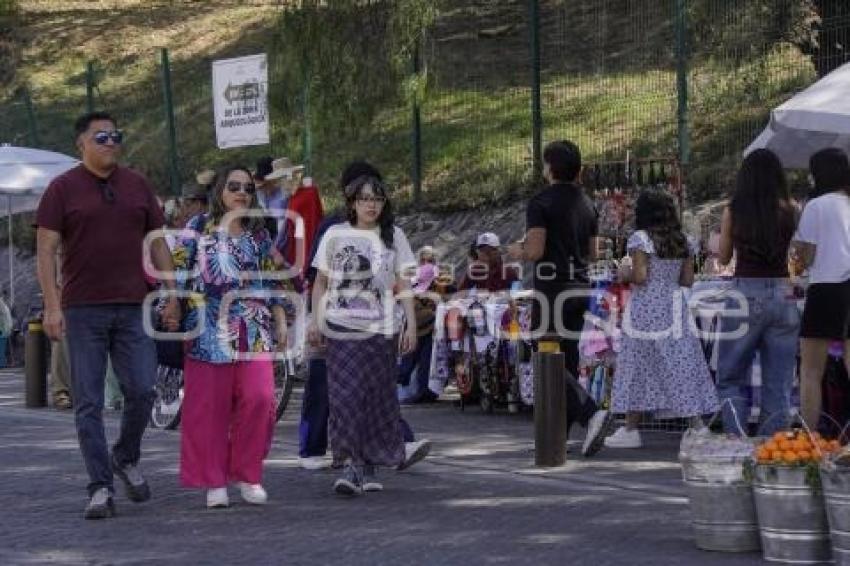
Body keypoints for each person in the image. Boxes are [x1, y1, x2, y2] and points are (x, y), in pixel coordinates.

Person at [35, 111, 180, 519]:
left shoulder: (137, 185)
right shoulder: (61, 189)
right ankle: (99, 486)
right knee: (88, 402)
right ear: (80, 144)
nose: (111, 142)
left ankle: (125, 456)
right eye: (101, 137)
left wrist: (172, 291)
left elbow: (157, 243)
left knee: (143, 390)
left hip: (134, 305)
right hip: (82, 310)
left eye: (116, 135)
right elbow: (46, 251)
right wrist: (51, 304)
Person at [298, 161, 431, 472]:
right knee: (346, 399)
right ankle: (350, 464)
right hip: (341, 328)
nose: (371, 205)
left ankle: (369, 465)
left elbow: (404, 284)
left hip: (383, 330)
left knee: (377, 401)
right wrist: (316, 321)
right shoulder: (335, 233)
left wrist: (411, 323)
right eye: (365, 199)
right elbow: (320, 282)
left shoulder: (394, 236)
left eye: (377, 199)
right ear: (352, 202)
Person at [172, 166, 289, 509]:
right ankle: (214, 479)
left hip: (254, 325)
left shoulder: (259, 235)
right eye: (234, 186)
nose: (241, 193)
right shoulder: (196, 228)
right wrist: (173, 308)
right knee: (210, 407)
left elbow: (272, 280)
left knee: (260, 399)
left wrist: (280, 319)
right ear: (220, 190)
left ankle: (248, 473)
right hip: (208, 327)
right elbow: (177, 273)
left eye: (248, 188)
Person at [507, 140, 610, 457]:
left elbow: (535, 250)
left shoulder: (540, 202)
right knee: (567, 358)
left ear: (549, 168)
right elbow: (594, 253)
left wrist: (517, 251)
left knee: (546, 356)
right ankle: (557, 437)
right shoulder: (588, 203)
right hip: (581, 285)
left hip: (552, 289)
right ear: (578, 169)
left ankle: (590, 412)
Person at [606, 190, 719, 448]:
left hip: (645, 309)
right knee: (680, 363)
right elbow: (687, 280)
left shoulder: (640, 239)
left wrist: (624, 272)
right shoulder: (685, 241)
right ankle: (697, 425)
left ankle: (630, 429)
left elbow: (641, 276)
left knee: (637, 364)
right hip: (675, 306)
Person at [715, 149, 800, 435]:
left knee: (729, 376)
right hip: (783, 294)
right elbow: (798, 256)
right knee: (779, 382)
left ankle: (736, 444)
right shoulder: (792, 209)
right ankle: (771, 452)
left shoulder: (733, 210)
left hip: (744, 295)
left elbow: (724, 258)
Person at [792, 148, 850, 429]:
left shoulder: (816, 206)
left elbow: (806, 256)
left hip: (826, 287)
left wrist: (797, 255)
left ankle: (809, 436)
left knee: (811, 370)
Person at [0, 292, 11, 368]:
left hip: (4, 330)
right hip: (3, 330)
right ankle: (2, 364)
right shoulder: (3, 305)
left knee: (2, 349)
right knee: (1, 349)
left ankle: (2, 364)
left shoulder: (3, 305)